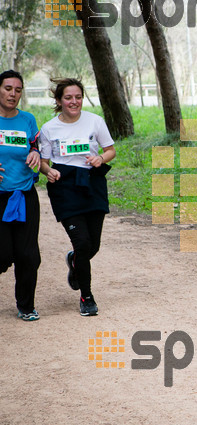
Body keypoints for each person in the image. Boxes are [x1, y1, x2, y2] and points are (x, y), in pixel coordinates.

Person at [39, 78, 116, 317]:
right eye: (68, 98)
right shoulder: (49, 128)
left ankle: (74, 261)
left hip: (92, 184)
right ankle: (87, 296)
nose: (74, 102)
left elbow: (110, 150)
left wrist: (100, 159)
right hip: (65, 187)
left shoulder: (95, 121)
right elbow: (43, 162)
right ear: (59, 101)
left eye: (78, 97)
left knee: (92, 245)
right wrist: (48, 170)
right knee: (82, 243)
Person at [0, 70, 42, 321]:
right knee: (2, 254)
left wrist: (36, 153)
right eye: (7, 88)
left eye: (17, 90)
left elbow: (35, 144)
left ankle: (26, 306)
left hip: (24, 195)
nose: (12, 94)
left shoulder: (27, 120)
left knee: (28, 255)